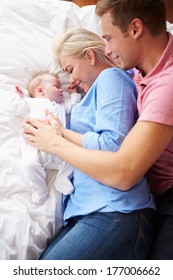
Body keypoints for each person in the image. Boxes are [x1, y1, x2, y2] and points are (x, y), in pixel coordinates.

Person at [23, 28, 155, 260]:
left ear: (90, 56)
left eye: (70, 70)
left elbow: (112, 145)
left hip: (115, 210)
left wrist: (59, 135)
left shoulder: (112, 78)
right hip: (88, 212)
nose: (70, 79)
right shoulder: (89, 97)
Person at [11, 71, 81, 204]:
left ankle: (63, 178)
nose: (61, 89)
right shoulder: (31, 102)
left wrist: (73, 94)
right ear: (40, 90)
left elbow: (74, 106)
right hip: (36, 149)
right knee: (29, 165)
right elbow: (17, 108)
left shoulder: (61, 105)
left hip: (59, 150)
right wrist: (18, 95)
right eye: (56, 86)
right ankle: (39, 189)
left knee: (74, 158)